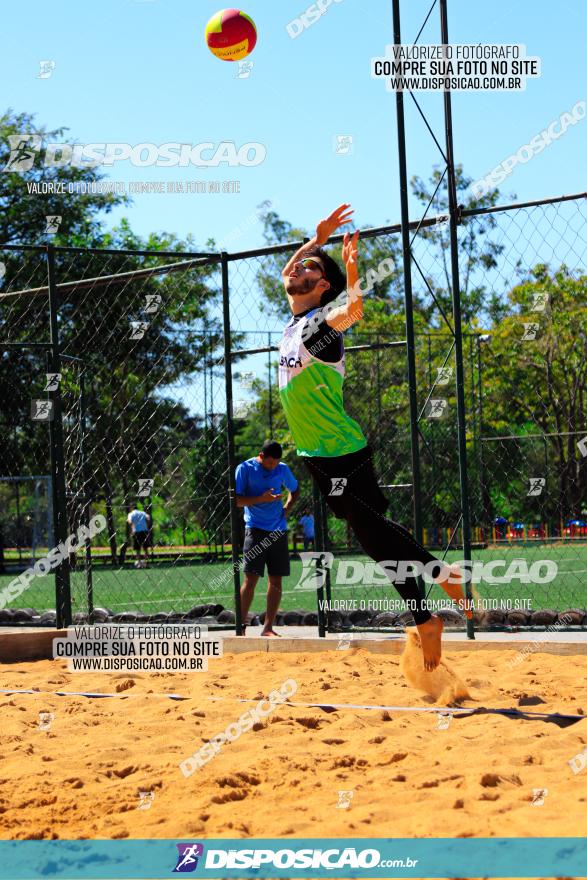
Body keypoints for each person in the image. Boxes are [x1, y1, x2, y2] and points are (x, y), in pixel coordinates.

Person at [278, 204, 471, 670]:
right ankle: (427, 616)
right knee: (374, 538)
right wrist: (316, 239)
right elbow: (287, 271)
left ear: (322, 286)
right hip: (315, 454)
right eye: (300, 266)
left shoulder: (323, 327)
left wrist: (347, 265)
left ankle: (441, 583)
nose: (297, 269)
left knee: (374, 532)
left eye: (309, 269)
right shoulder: (292, 325)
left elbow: (356, 308)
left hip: (342, 450)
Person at [235, 439, 300, 636]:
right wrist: (260, 499)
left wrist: (287, 508)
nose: (273, 468)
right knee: (251, 579)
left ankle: (268, 627)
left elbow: (295, 490)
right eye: (270, 463)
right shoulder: (244, 469)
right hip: (255, 529)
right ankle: (240, 627)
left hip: (278, 531)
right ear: (261, 456)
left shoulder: (282, 469)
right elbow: (237, 500)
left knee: (276, 581)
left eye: (276, 463)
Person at [127, 504, 151, 568]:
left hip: (137, 532)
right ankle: (146, 564)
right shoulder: (142, 513)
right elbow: (148, 518)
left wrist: (132, 529)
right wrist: (147, 527)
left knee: (137, 549)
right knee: (145, 548)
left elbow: (129, 522)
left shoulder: (131, 514)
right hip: (144, 531)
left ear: (131, 508)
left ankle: (139, 564)